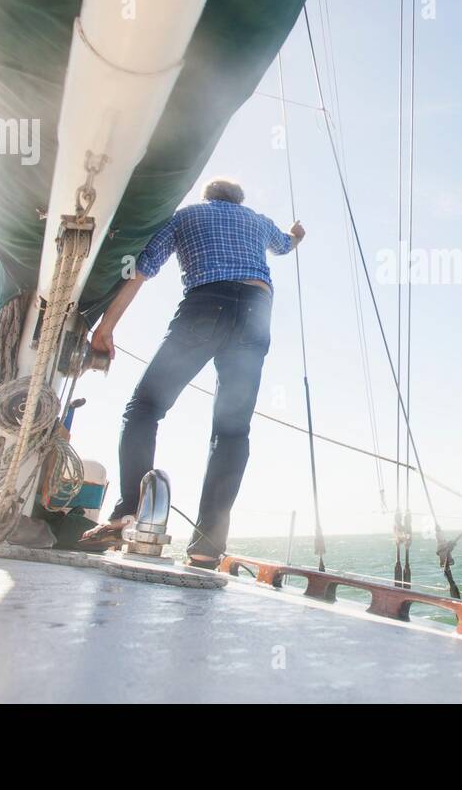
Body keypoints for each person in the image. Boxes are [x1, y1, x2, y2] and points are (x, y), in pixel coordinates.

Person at [81, 178, 304, 565]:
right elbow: (285, 244)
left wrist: (105, 328)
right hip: (255, 314)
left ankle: (126, 513)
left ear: (207, 197)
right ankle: (207, 547)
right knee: (232, 430)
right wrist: (297, 234)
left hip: (207, 306)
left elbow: (142, 270)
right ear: (239, 199)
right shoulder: (256, 220)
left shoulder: (186, 217)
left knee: (145, 408)